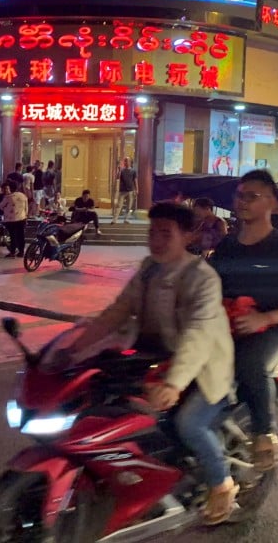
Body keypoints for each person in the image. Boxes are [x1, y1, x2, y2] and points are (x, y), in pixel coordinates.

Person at [56, 203, 237, 524]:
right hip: (156, 360)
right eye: (152, 232)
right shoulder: (148, 269)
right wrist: (75, 349)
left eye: (166, 233)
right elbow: (117, 311)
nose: (156, 239)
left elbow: (198, 334)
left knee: (189, 425)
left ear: (186, 235)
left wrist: (175, 383)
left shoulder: (201, 277)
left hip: (203, 366)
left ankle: (221, 483)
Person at [208, 170, 278, 472]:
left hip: (267, 333)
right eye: (240, 195)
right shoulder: (227, 246)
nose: (242, 202)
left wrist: (264, 318)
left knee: (250, 365)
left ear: (271, 202)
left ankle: (264, 432)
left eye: (252, 196)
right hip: (222, 329)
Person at [0, 181, 28, 258]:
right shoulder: (23, 196)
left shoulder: (8, 197)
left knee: (13, 236)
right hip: (22, 218)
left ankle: (12, 252)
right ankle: (21, 252)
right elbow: (26, 207)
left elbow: (0, 206)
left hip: (11, 220)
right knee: (21, 236)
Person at [111, 157, 137, 224]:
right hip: (122, 191)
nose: (126, 162)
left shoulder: (133, 171)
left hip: (130, 190)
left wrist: (137, 189)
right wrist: (119, 170)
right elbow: (117, 177)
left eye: (127, 161)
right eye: (125, 161)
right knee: (119, 205)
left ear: (130, 162)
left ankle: (126, 219)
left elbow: (135, 180)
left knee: (129, 206)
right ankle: (114, 220)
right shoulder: (122, 170)